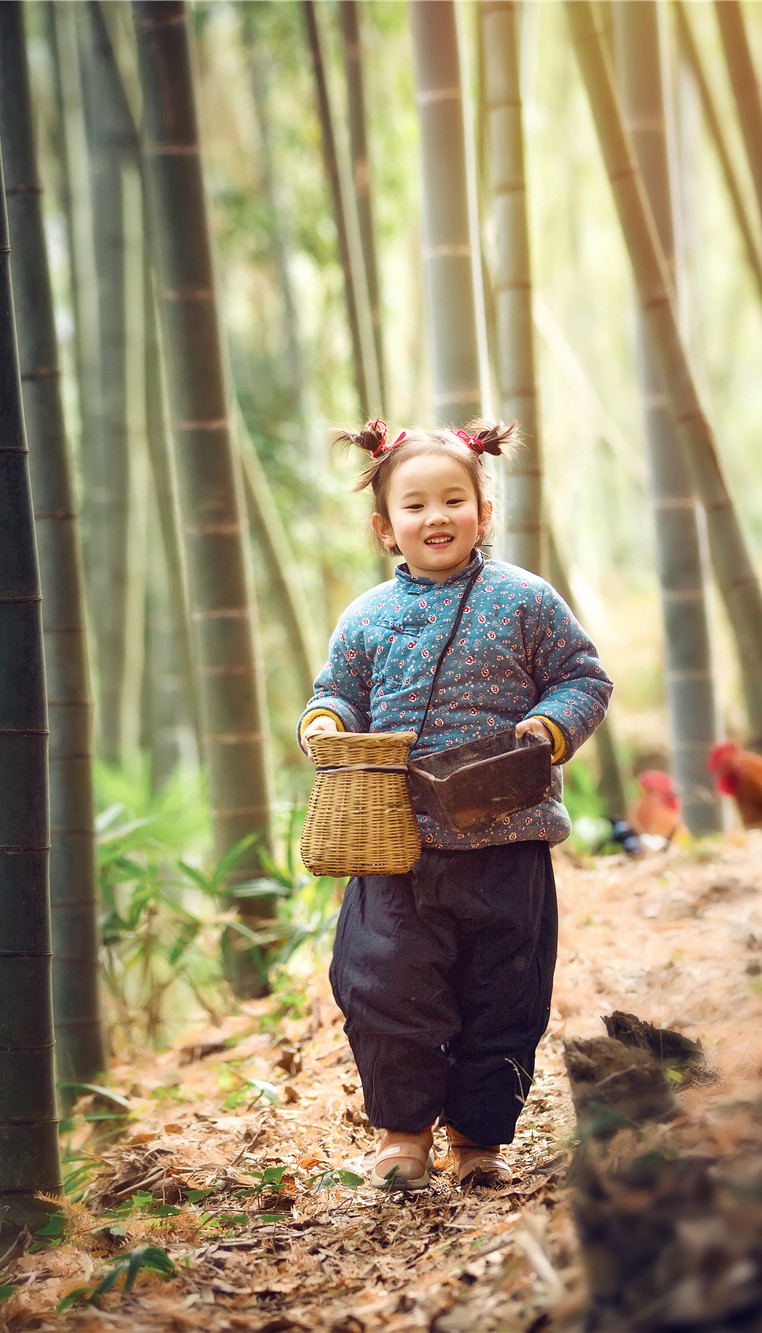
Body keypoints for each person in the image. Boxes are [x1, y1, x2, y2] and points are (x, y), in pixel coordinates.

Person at [300, 418, 612, 1190]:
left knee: (503, 994)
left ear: (484, 511)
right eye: (414, 506)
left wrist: (549, 727)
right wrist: (326, 721)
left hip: (508, 840)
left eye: (452, 500)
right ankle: (402, 1135)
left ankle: (477, 1139)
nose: (435, 516)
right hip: (398, 846)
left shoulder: (525, 599)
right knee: (385, 987)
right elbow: (338, 690)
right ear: (385, 527)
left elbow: (583, 676)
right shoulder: (366, 616)